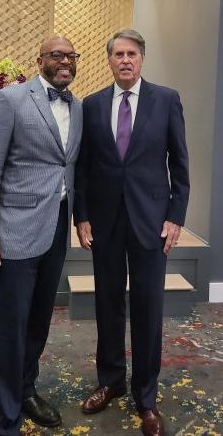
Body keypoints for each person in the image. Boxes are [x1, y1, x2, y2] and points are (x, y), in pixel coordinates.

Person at [74, 29, 189, 436]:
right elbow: (84, 167)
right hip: (105, 223)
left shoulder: (166, 100)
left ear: (142, 59)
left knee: (147, 310)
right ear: (109, 60)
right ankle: (110, 381)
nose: (125, 60)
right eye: (118, 54)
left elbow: (180, 165)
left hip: (152, 223)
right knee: (107, 305)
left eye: (132, 54)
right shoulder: (90, 105)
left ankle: (146, 397)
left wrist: (176, 217)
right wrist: (82, 215)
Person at [0, 36, 82, 436]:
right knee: (10, 327)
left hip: (56, 228)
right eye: (57, 55)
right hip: (14, 231)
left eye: (71, 56)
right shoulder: (11, 100)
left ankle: (25, 389)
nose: (65, 61)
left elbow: (70, 169)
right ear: (40, 60)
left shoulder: (79, 107)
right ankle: (4, 420)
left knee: (38, 321)